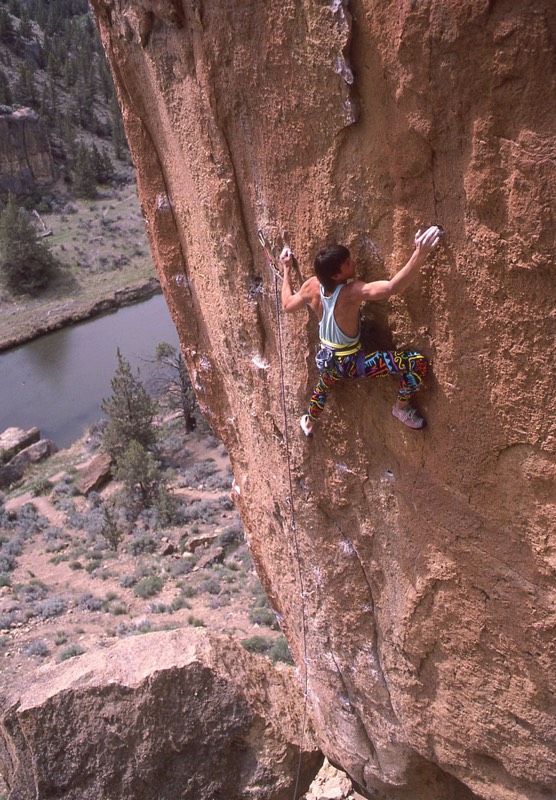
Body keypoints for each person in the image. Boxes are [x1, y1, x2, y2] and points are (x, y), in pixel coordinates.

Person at [280, 226, 442, 436]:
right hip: (352, 364)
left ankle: (309, 423)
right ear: (335, 275)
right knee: (417, 363)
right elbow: (393, 288)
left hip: (328, 361)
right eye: (348, 263)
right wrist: (419, 254)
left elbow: (287, 305)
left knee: (324, 386)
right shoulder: (351, 292)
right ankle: (401, 408)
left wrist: (286, 269)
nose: (354, 263)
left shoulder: (311, 285)